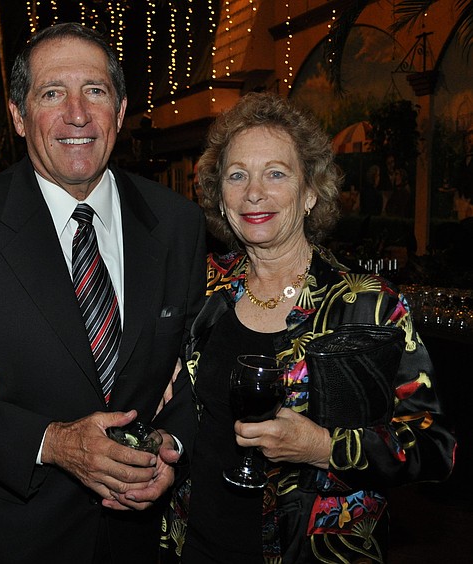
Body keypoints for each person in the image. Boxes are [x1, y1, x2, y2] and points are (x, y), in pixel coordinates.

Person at [0, 22, 207, 563]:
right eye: (51, 94)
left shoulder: (177, 222)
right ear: (19, 116)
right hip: (15, 539)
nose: (77, 114)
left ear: (120, 110)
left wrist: (172, 448)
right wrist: (54, 443)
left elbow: (193, 363)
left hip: (139, 537)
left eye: (95, 91)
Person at [159, 92, 455, 563]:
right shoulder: (200, 287)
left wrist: (323, 447)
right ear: (220, 196)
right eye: (237, 175)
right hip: (194, 542)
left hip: (316, 550)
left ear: (311, 192)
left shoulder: (370, 305)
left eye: (276, 173)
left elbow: (435, 446)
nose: (254, 192)